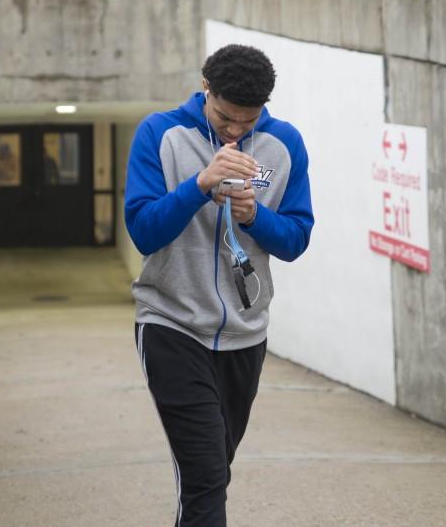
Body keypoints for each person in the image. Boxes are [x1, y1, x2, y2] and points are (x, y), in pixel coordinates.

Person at [124, 43, 314, 526]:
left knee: (211, 474)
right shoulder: (161, 134)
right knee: (206, 476)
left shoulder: (284, 143)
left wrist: (255, 217)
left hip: (245, 335)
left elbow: (295, 240)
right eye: (225, 117)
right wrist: (199, 186)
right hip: (171, 325)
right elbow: (144, 232)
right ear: (205, 87)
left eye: (246, 122)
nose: (234, 130)